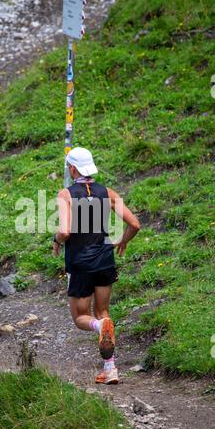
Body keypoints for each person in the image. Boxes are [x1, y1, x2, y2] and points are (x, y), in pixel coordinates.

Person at [53, 147, 140, 384]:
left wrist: (55, 240)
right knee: (104, 312)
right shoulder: (107, 192)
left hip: (80, 264)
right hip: (104, 259)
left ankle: (98, 325)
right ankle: (110, 369)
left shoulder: (66, 195)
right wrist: (123, 240)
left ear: (72, 169)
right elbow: (135, 224)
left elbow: (65, 231)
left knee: (82, 317)